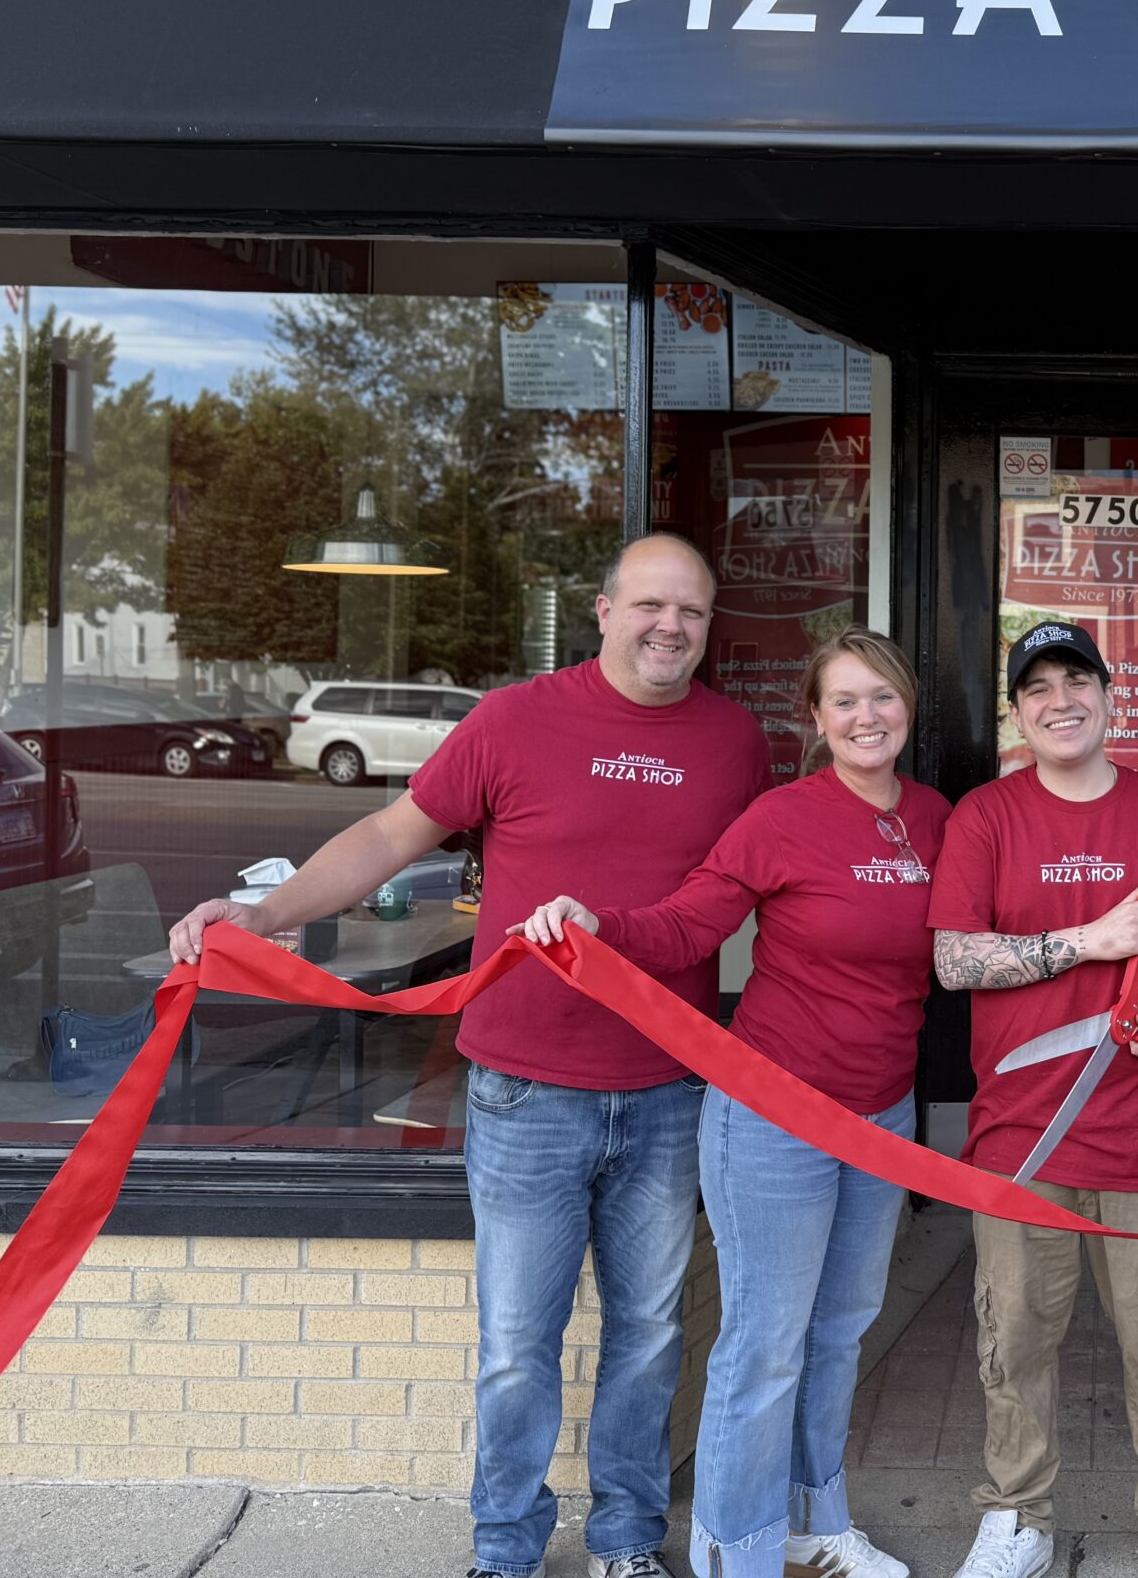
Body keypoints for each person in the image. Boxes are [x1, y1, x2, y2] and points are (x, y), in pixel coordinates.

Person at [168, 534, 769, 1578]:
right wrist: (263, 916)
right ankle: (505, 1549)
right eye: (651, 605)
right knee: (514, 1352)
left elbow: (748, 890)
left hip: (667, 1087)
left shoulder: (733, 740)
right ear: (602, 608)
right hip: (525, 1090)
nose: (671, 626)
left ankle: (628, 1542)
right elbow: (388, 839)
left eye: (693, 612)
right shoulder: (514, 719)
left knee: (648, 1336)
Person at [513, 626, 942, 1578]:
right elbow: (685, 925)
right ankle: (734, 1552)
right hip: (773, 1118)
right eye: (845, 701)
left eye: (882, 697)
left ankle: (815, 1527)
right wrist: (595, 922)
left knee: (839, 1334)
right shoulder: (782, 816)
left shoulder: (934, 817)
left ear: (906, 705)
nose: (866, 717)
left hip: (881, 1118)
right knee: (765, 1344)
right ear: (816, 720)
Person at [926, 620, 1138, 1578]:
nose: (1059, 701)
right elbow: (953, 960)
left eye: (1077, 681)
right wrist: (1092, 938)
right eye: (1037, 688)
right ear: (1018, 710)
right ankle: (1018, 1518)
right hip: (1020, 1139)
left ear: (1110, 698)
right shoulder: (985, 818)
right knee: (1016, 1335)